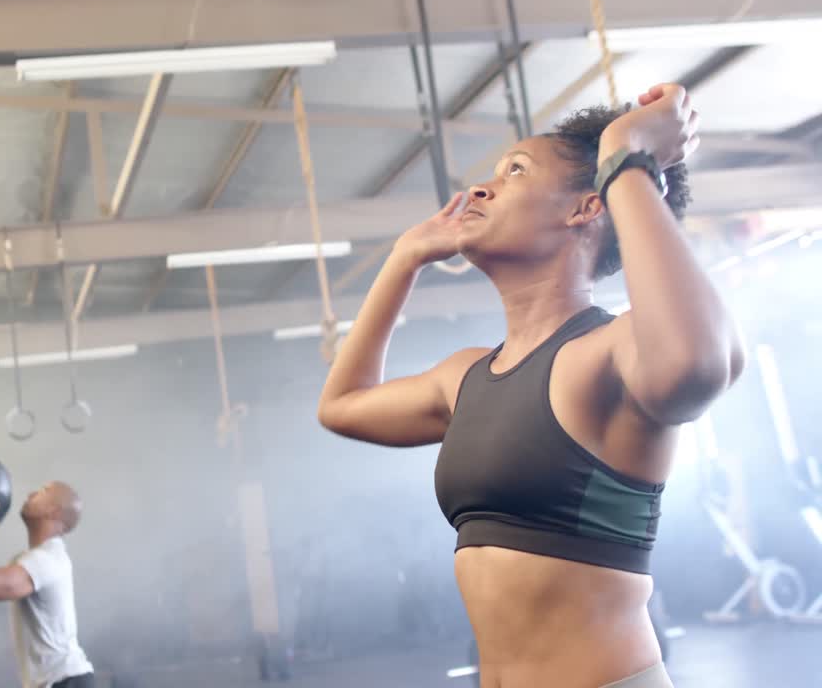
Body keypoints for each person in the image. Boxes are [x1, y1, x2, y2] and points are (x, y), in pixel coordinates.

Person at [317, 83, 744, 688]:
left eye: (514, 171)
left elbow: (702, 364)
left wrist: (628, 157)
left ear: (586, 208)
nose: (481, 187)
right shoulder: (463, 376)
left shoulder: (612, 350)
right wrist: (403, 259)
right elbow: (341, 406)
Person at [0, 481, 94, 688]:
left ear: (53, 511)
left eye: (43, 491)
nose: (31, 493)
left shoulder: (48, 560)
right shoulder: (34, 559)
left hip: (65, 681)